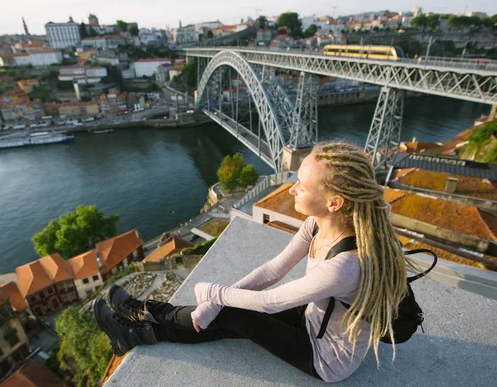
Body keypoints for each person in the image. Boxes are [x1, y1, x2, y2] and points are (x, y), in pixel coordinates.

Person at [89, 142, 409, 383]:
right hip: (315, 317)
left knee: (232, 314)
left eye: (302, 185)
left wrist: (214, 293)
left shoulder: (344, 266)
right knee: (223, 317)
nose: (292, 189)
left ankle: (140, 322)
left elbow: (269, 302)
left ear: (334, 202)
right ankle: (138, 327)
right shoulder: (319, 223)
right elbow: (273, 270)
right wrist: (214, 302)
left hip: (326, 355)